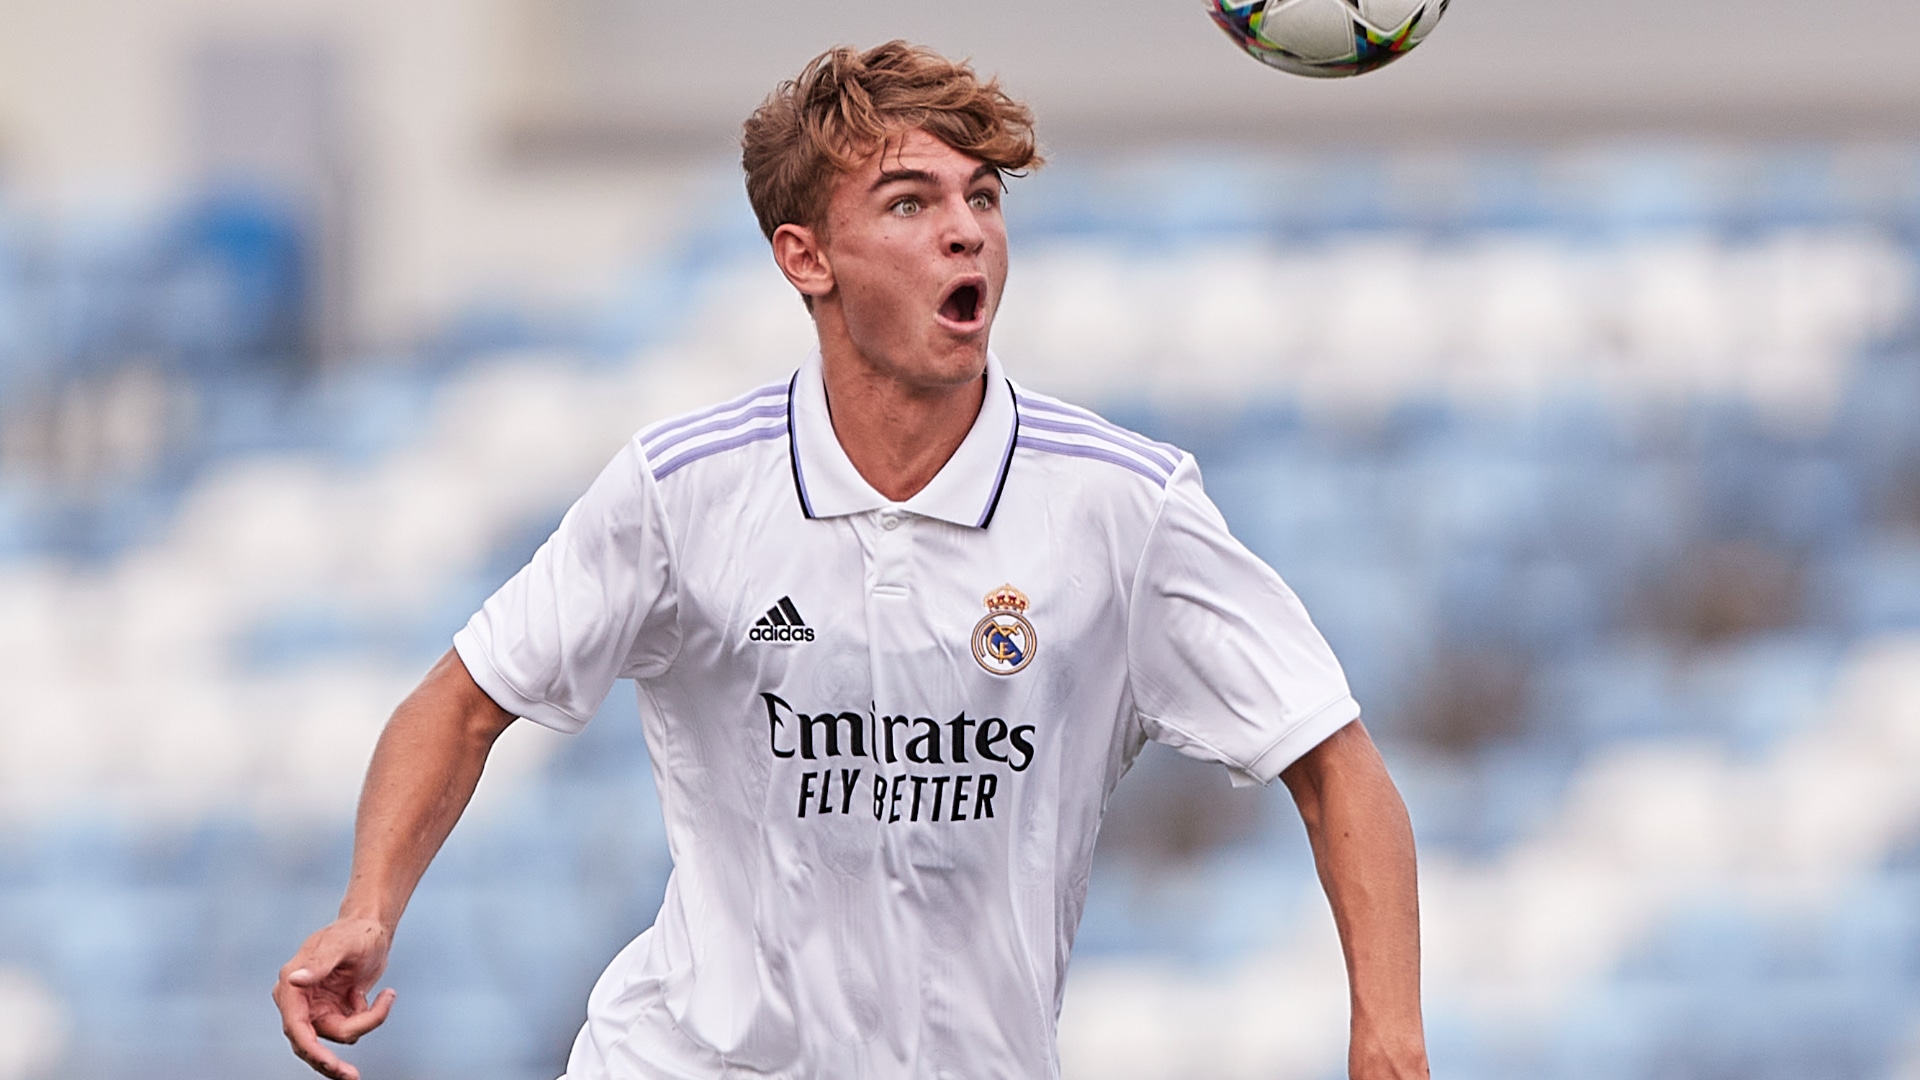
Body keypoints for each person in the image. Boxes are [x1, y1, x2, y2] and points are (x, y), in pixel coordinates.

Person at [273, 40, 1429, 1080]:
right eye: (911, 202)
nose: (967, 228)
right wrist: (370, 906)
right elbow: (465, 701)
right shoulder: (684, 490)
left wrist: (1387, 1034)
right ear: (806, 257)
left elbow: (1335, 763)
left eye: (982, 198)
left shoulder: (1122, 506)